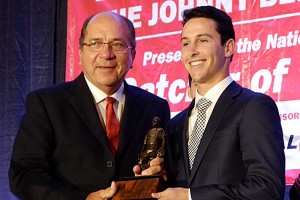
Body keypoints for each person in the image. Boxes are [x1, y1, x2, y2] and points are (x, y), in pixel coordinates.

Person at [9, 11, 170, 200]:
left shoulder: (155, 107)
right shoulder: (46, 104)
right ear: (80, 53)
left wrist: (161, 174)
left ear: (133, 54)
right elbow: (24, 176)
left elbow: (168, 175)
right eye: (95, 43)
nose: (106, 54)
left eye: (117, 44)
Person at [152, 6, 285, 200]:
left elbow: (267, 188)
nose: (192, 51)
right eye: (186, 43)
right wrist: (156, 180)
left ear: (228, 47)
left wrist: (191, 197)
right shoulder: (175, 124)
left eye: (203, 40)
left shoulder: (254, 107)